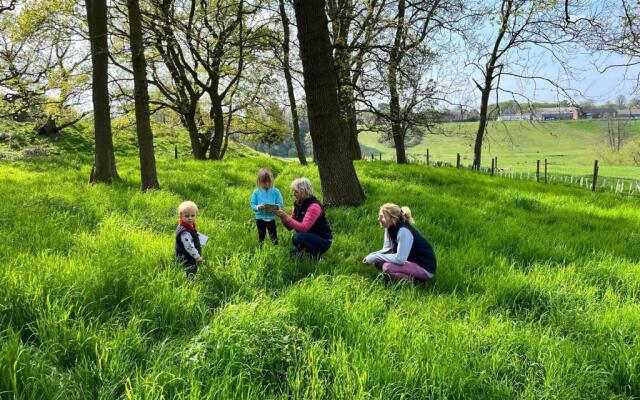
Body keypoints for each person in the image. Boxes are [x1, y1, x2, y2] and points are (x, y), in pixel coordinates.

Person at [363, 203, 436, 282]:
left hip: (424, 267)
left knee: (387, 267)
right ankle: (399, 276)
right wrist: (372, 256)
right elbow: (387, 249)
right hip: (410, 262)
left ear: (392, 218)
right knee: (378, 262)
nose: (378, 219)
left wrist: (375, 256)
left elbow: (400, 259)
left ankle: (414, 282)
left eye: (382, 217)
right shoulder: (389, 228)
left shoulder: (404, 231)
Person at [274, 177, 332, 260]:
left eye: (296, 192)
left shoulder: (314, 206)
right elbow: (290, 227)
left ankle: (317, 258)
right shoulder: (298, 204)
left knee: (297, 238)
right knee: (292, 255)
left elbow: (303, 228)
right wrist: (282, 217)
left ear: (304, 192)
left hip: (322, 239)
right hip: (308, 236)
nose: (294, 194)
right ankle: (308, 253)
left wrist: (286, 217)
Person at [250, 168, 284, 245]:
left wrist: (274, 207)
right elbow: (252, 204)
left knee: (273, 235)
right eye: (264, 182)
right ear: (259, 182)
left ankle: (275, 247)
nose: (267, 184)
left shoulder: (276, 191)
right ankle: (260, 247)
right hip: (260, 218)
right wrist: (258, 207)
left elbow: (280, 204)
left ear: (272, 181)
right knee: (261, 235)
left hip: (271, 217)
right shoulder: (256, 192)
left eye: (269, 182)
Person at [175, 200, 203, 278]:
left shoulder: (188, 225)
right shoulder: (184, 232)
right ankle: (190, 284)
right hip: (186, 257)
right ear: (181, 216)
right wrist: (197, 257)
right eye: (187, 216)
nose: (190, 218)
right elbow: (189, 246)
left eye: (192, 215)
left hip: (189, 255)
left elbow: (192, 234)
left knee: (189, 270)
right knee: (190, 270)